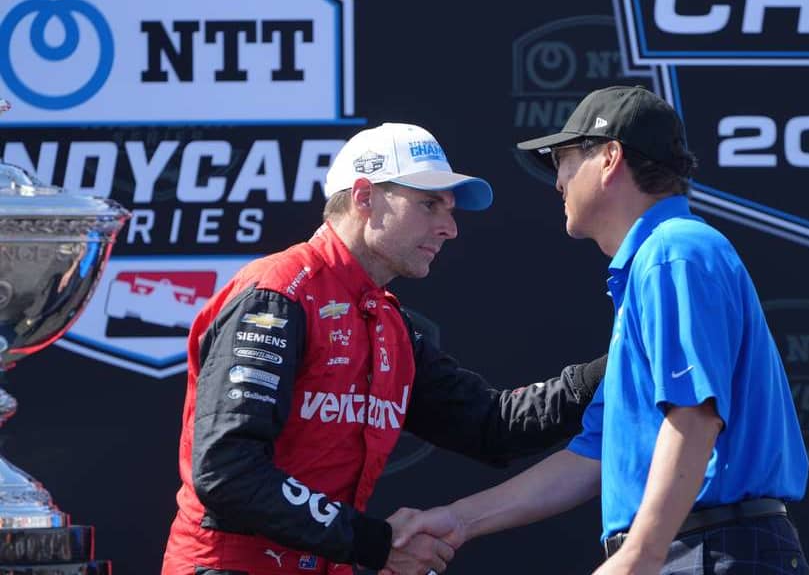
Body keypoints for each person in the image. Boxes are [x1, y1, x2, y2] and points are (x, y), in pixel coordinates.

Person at [388, 86, 809, 575]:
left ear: (609, 158)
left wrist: (640, 554)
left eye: (562, 161)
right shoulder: (657, 261)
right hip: (694, 548)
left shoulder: (674, 252)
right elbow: (591, 458)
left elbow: (694, 416)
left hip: (710, 551)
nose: (557, 182)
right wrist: (457, 520)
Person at [160, 122, 606, 575]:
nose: (449, 228)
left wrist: (624, 362)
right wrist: (375, 543)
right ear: (364, 196)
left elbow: (493, 425)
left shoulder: (386, 323)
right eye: (429, 204)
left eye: (450, 211)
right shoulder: (278, 294)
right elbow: (228, 471)